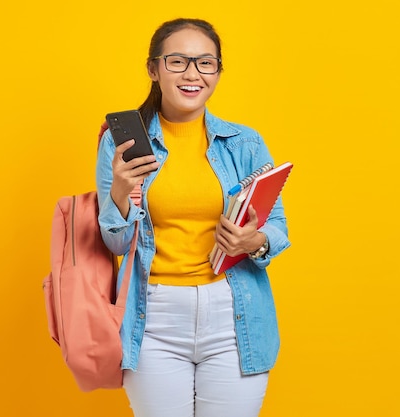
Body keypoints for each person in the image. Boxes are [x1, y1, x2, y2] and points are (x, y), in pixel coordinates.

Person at [96, 17, 290, 417]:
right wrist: (119, 190)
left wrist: (252, 241)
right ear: (154, 69)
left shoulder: (245, 142)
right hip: (153, 317)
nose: (192, 74)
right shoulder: (123, 143)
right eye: (178, 62)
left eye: (206, 63)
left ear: (217, 72)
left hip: (233, 315)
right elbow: (115, 245)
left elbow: (277, 230)